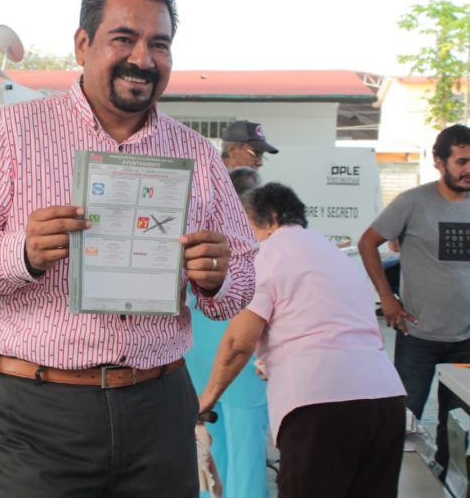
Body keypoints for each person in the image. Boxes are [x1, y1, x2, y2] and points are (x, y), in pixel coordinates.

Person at [0, 0, 257, 498]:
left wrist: (218, 277)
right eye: (124, 38)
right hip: (38, 411)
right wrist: (21, 253)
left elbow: (239, 284)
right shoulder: (16, 133)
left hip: (159, 403)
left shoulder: (196, 155)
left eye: (159, 44)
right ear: (83, 44)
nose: (142, 59)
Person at [199, 182, 406, 498]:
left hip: (320, 404)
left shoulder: (265, 254)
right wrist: (276, 360)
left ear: (271, 218)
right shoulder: (330, 253)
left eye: (244, 225)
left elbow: (236, 344)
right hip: (385, 399)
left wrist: (207, 399)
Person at [358, 123, 470, 479]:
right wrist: (387, 298)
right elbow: (367, 243)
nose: (469, 169)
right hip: (417, 335)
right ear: (439, 161)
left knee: (458, 426)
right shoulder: (413, 202)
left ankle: (445, 483)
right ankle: (390, 483)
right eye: (462, 161)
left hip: (466, 339)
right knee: (403, 422)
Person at [185, 163, 268, 498]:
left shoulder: (199, 237)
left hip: (201, 359)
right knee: (245, 455)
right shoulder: (258, 246)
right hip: (239, 360)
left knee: (206, 451)